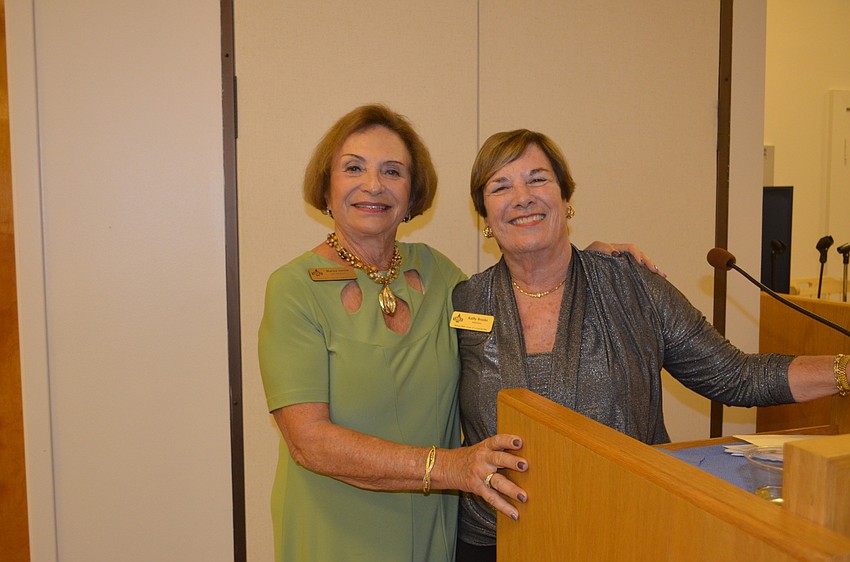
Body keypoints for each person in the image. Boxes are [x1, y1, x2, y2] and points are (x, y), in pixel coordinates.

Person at [258, 105, 659, 561]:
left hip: (437, 531)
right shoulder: (293, 288)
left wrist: (586, 265)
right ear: (327, 187)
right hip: (336, 527)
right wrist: (450, 466)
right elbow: (308, 441)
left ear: (412, 196)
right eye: (354, 168)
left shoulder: (439, 274)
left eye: (393, 171)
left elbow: (517, 302)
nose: (374, 185)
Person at [452, 128, 849, 561]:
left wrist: (843, 370)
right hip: (495, 541)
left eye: (538, 179)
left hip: (627, 528)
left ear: (566, 199)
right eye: (501, 186)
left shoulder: (632, 287)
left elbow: (737, 376)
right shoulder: (461, 301)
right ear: (484, 216)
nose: (522, 196)